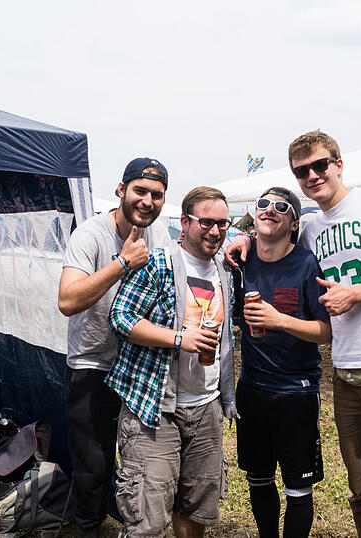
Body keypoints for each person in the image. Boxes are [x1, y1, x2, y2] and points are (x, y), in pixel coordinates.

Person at [226, 130, 361, 536]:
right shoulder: (308, 229)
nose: (312, 175)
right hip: (346, 373)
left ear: (339, 165)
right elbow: (272, 238)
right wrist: (240, 238)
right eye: (301, 170)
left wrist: (356, 294)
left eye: (320, 165)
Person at [107, 186, 236, 538]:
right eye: (206, 222)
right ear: (184, 222)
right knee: (148, 518)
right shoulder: (158, 264)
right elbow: (121, 316)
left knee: (197, 508)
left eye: (223, 224)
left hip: (206, 408)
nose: (215, 231)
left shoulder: (224, 270)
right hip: (154, 408)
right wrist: (179, 338)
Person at [57, 158, 171, 537]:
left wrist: (242, 240)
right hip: (93, 362)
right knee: (94, 463)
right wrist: (123, 262)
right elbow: (68, 301)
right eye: (140, 191)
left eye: (157, 195)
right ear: (121, 190)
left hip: (138, 366)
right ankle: (85, 528)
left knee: (138, 459)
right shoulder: (90, 235)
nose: (147, 201)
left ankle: (130, 523)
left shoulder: (160, 235)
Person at [233, 187, 331, 538]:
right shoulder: (239, 263)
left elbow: (326, 331)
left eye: (281, 207)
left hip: (296, 392)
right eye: (263, 204)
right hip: (252, 390)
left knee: (298, 486)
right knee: (258, 478)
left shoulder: (305, 263)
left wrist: (280, 321)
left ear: (293, 223)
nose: (270, 210)